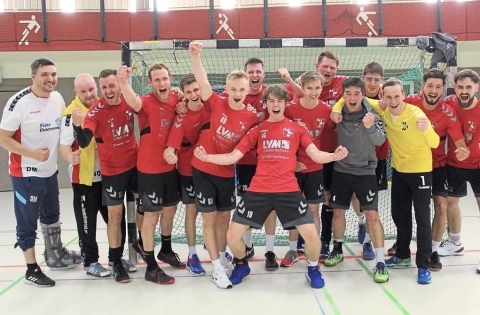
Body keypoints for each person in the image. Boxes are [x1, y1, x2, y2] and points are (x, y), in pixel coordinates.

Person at [194, 85, 348, 289]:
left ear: (285, 103)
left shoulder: (297, 129)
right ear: (266, 104)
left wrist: (333, 156)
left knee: (311, 236)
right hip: (259, 189)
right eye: (271, 101)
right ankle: (241, 265)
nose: (276, 105)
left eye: (280, 101)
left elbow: (315, 154)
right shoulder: (257, 130)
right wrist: (208, 157)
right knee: (232, 235)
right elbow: (233, 156)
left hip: (288, 190)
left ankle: (312, 268)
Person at [0, 57, 81, 287]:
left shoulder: (57, 98)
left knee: (51, 216)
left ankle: (54, 255)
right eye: (45, 74)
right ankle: (31, 269)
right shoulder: (19, 103)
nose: (50, 79)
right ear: (33, 77)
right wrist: (32, 153)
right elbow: (3, 138)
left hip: (50, 171)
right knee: (27, 223)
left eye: (53, 74)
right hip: (26, 173)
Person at [189, 41, 260, 289]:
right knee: (208, 220)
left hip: (227, 173)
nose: (238, 93)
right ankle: (217, 267)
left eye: (242, 89)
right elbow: (203, 80)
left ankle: (220, 258)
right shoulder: (217, 103)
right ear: (227, 89)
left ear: (247, 90)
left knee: (223, 220)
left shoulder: (251, 117)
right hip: (203, 170)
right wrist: (195, 56)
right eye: (234, 89)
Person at [387, 69, 468, 270]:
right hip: (408, 167)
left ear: (443, 90)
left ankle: (431, 251)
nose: (433, 90)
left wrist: (463, 152)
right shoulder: (409, 102)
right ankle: (403, 244)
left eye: (438, 87)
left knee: (439, 207)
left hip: (437, 165)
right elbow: (386, 105)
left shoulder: (447, 113)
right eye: (430, 86)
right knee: (402, 211)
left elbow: (460, 144)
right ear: (422, 87)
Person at [118, 63, 184, 285]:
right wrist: (123, 81)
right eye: (157, 80)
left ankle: (165, 250)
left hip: (170, 169)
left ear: (170, 79)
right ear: (150, 82)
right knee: (151, 217)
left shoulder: (176, 98)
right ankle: (151, 268)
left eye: (164, 79)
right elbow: (132, 100)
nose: (162, 83)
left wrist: (182, 96)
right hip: (149, 170)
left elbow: (182, 103)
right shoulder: (145, 102)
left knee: (170, 210)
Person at [73, 69, 138, 283]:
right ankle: (117, 262)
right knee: (115, 217)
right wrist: (76, 125)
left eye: (112, 86)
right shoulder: (95, 111)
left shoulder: (129, 100)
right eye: (104, 87)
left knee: (147, 208)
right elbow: (84, 141)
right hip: (113, 172)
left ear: (118, 86)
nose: (108, 91)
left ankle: (141, 245)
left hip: (135, 165)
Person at [324, 77, 389, 283]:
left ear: (363, 95)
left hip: (366, 172)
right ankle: (338, 249)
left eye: (357, 93)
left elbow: (380, 139)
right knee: (338, 212)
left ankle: (380, 262)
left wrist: (370, 126)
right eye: (348, 93)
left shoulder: (372, 114)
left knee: (371, 216)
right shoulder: (338, 114)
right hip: (341, 170)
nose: (352, 97)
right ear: (343, 96)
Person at [221, 57, 279, 269]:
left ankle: (270, 251)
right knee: (245, 205)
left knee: (271, 206)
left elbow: (297, 99)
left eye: (258, 71)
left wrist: (292, 81)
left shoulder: (272, 95)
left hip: (269, 162)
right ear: (246, 75)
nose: (255, 75)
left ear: (264, 74)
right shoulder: (235, 96)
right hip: (244, 162)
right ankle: (247, 246)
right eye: (251, 72)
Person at [278, 69, 335, 267]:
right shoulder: (290, 109)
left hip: (314, 166)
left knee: (313, 209)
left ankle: (314, 249)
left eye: (317, 88)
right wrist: (291, 161)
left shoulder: (327, 111)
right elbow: (278, 132)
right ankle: (293, 249)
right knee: (294, 209)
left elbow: (330, 132)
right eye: (309, 88)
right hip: (292, 167)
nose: (313, 92)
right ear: (301, 87)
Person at [164, 73, 211, 275]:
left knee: (214, 214)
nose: (193, 94)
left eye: (196, 89)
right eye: (189, 92)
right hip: (188, 171)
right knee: (191, 212)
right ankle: (192, 255)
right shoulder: (181, 117)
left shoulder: (213, 106)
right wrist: (168, 152)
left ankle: (218, 249)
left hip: (211, 169)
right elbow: (172, 145)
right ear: (183, 94)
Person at [441, 69, 480, 273]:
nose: (464, 91)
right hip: (454, 164)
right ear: (455, 88)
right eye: (460, 87)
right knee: (450, 204)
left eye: (468, 87)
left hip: (478, 166)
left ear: (476, 88)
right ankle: (455, 243)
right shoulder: (448, 103)